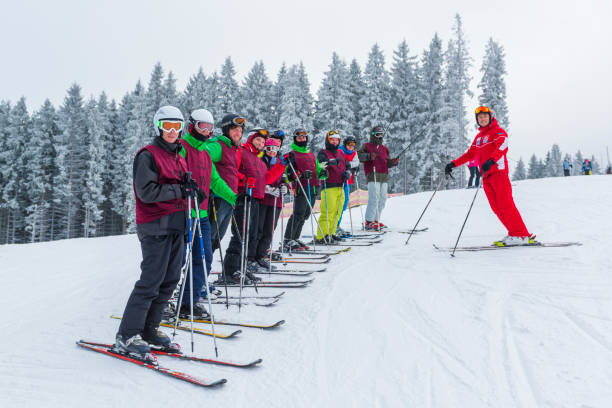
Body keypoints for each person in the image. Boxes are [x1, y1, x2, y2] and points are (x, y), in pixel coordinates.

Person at [115, 105, 194, 358]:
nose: (172, 131)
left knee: (169, 281)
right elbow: (146, 192)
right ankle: (127, 335)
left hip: (176, 225)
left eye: (176, 126)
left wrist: (191, 190)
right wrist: (179, 190)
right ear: (158, 127)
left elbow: (179, 188)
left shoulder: (179, 155)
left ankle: (149, 329)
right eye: (167, 126)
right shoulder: (147, 155)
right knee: (150, 281)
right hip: (155, 226)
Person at [177, 109, 237, 319]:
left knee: (204, 258)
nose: (206, 131)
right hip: (182, 213)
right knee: (177, 260)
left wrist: (233, 197)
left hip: (201, 214)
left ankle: (188, 302)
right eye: (202, 126)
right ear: (192, 126)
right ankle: (162, 299)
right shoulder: (182, 147)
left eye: (210, 128)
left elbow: (215, 181)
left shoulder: (204, 153)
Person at [445, 106, 534, 246]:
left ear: (490, 117)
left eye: (485, 116)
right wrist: (453, 164)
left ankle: (521, 235)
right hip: (486, 177)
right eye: (480, 117)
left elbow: (503, 146)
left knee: (506, 205)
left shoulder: (498, 132)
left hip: (498, 173)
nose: (482, 119)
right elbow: (470, 154)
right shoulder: (479, 138)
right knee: (496, 207)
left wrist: (491, 160)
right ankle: (514, 233)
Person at [219, 129, 285, 284]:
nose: (261, 144)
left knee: (252, 236)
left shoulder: (259, 160)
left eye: (263, 142)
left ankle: (242, 267)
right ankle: (229, 271)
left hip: (256, 200)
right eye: (258, 141)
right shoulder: (241, 152)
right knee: (241, 235)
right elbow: (232, 170)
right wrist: (244, 179)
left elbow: (267, 178)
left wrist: (281, 165)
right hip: (244, 198)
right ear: (251, 139)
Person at [203, 114, 245, 255]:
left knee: (217, 238)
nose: (238, 133)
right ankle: (197, 270)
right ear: (226, 129)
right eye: (234, 129)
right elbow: (203, 155)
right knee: (210, 237)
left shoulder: (233, 148)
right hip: (217, 198)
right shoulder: (218, 145)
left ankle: (203, 271)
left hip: (229, 199)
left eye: (240, 130)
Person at [282, 129, 327, 251]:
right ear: (295, 139)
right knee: (298, 213)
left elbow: (317, 170)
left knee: (306, 215)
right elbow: (288, 173)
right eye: (299, 137)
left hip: (312, 188)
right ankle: (287, 239)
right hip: (301, 187)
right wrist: (300, 175)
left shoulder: (311, 155)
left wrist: (322, 173)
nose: (302, 139)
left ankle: (295, 238)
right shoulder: (292, 154)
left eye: (304, 137)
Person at [357, 126, 399, 230]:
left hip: (384, 176)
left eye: (381, 134)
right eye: (377, 134)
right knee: (374, 198)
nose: (379, 136)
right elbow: (359, 156)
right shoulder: (366, 146)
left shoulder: (384, 149)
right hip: (373, 174)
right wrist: (369, 156)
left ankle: (376, 220)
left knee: (383, 199)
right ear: (373, 135)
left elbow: (387, 162)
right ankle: (368, 221)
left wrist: (393, 162)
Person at [255, 137, 288, 268]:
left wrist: (285, 187)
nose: (272, 152)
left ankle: (262, 254)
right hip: (263, 200)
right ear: (265, 149)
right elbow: (261, 179)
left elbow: (284, 179)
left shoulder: (280, 162)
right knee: (259, 229)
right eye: (269, 149)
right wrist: (267, 189)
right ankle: (254, 256)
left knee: (269, 230)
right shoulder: (261, 161)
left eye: (275, 149)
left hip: (276, 200)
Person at [314, 130, 351, 243]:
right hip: (329, 186)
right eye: (332, 140)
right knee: (328, 212)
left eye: (336, 140)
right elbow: (319, 165)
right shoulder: (323, 152)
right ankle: (321, 236)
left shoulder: (340, 153)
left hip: (340, 186)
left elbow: (348, 165)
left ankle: (331, 233)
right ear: (328, 140)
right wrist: (331, 162)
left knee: (337, 211)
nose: (334, 142)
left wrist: (348, 173)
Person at [336, 135, 360, 236]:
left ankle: (337, 225)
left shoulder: (354, 153)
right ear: (345, 144)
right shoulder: (340, 151)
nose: (351, 146)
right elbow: (340, 162)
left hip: (347, 181)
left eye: (353, 144)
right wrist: (349, 165)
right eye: (349, 144)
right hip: (338, 181)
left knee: (344, 204)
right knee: (338, 204)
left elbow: (356, 163)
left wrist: (353, 168)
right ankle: (334, 226)